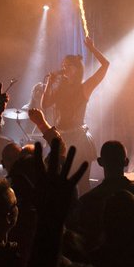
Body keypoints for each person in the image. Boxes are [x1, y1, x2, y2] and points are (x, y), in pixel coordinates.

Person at [42, 35, 109, 174]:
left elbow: (105, 65)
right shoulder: (61, 89)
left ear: (77, 68)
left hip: (78, 140)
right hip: (61, 140)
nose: (64, 68)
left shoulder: (85, 87)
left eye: (68, 65)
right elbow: (45, 104)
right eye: (63, 65)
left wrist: (92, 48)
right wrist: (49, 83)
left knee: (80, 180)